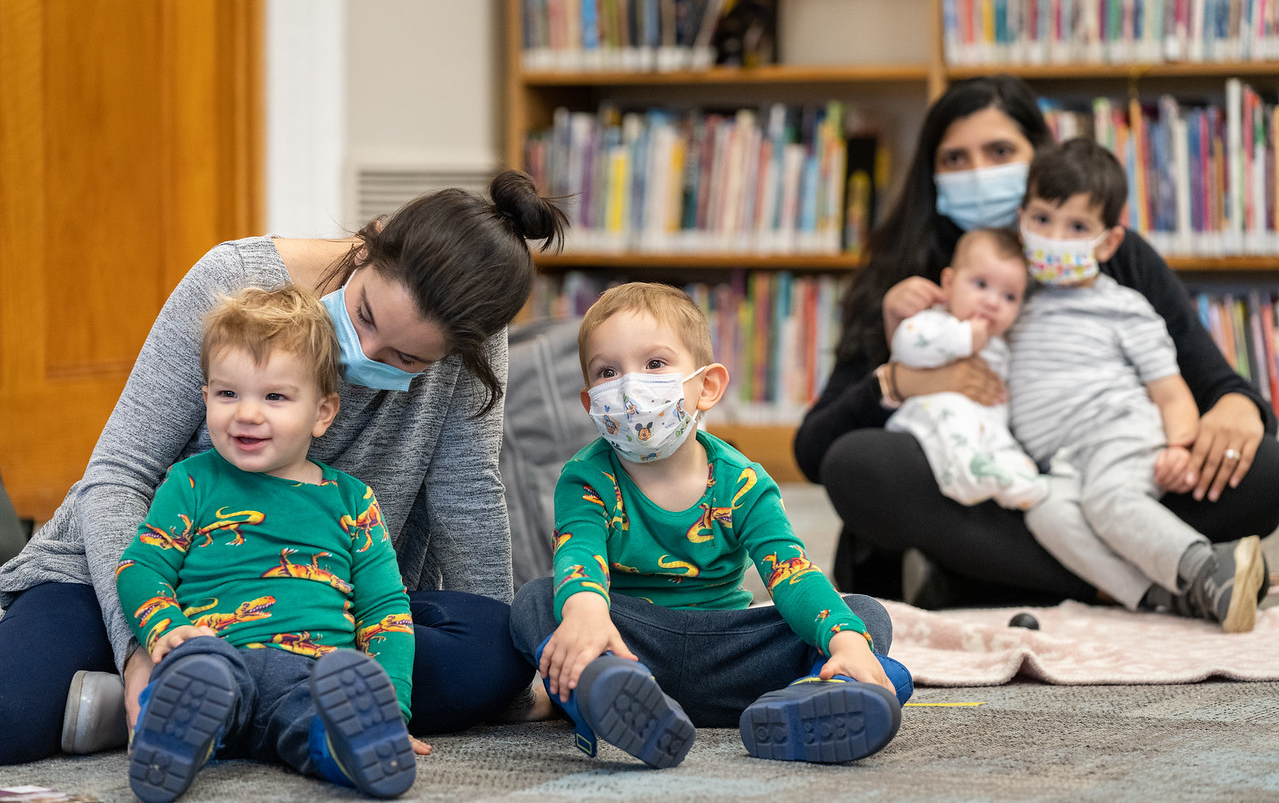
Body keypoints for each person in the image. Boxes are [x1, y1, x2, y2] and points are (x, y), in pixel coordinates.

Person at [0, 170, 566, 765]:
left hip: (317, 609)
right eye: (366, 316)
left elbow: (468, 494)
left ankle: (178, 711)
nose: (364, 355)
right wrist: (139, 647)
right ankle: (187, 695)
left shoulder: (471, 338)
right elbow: (120, 473)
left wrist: (497, 676)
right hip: (157, 585)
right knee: (9, 715)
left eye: (406, 358)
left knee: (496, 646)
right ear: (368, 244)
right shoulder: (232, 281)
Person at [793, 74, 1279, 607]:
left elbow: (1207, 378)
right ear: (931, 175)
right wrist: (900, 376)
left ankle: (993, 575)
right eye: (955, 159)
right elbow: (816, 453)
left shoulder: (1109, 256)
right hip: (985, 487)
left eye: (1000, 151)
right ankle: (1128, 576)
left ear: (1039, 156)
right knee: (861, 466)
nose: (979, 173)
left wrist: (1238, 407)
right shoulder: (909, 274)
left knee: (1264, 472)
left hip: (1114, 466)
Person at [509, 282, 913, 769]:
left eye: (654, 364)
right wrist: (586, 615)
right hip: (630, 645)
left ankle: (811, 698)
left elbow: (791, 572)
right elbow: (580, 556)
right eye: (607, 372)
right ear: (590, 401)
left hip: (732, 649)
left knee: (866, 619)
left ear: (708, 387)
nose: (630, 386)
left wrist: (845, 642)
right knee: (538, 599)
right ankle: (610, 694)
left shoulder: (742, 480)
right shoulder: (584, 477)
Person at [119, 285, 417, 800]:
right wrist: (164, 629)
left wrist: (390, 705)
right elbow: (141, 567)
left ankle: (354, 746)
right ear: (206, 395)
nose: (247, 414)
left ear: (323, 413)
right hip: (216, 656)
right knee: (196, 679)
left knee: (322, 724)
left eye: (274, 396)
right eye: (228, 393)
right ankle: (172, 738)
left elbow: (386, 609)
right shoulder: (190, 481)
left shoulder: (352, 501)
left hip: (313, 673)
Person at [1009, 139, 1266, 632]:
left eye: (1078, 227)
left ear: (1107, 243)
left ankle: (1208, 567)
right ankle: (1166, 597)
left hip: (1120, 432)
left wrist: (1181, 446)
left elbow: (1170, 391)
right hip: (1058, 461)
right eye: (1042, 220)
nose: (1056, 237)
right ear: (1020, 220)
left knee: (1109, 500)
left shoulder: (1125, 306)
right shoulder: (1014, 300)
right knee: (1046, 514)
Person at [884, 226, 1047, 511]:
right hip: (934, 417)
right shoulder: (936, 322)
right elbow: (905, 345)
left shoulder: (1002, 345)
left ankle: (1023, 486)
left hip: (988, 426)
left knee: (1014, 457)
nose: (992, 302)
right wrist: (962, 338)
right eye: (981, 285)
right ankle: (973, 479)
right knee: (958, 426)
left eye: (1009, 297)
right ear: (949, 283)